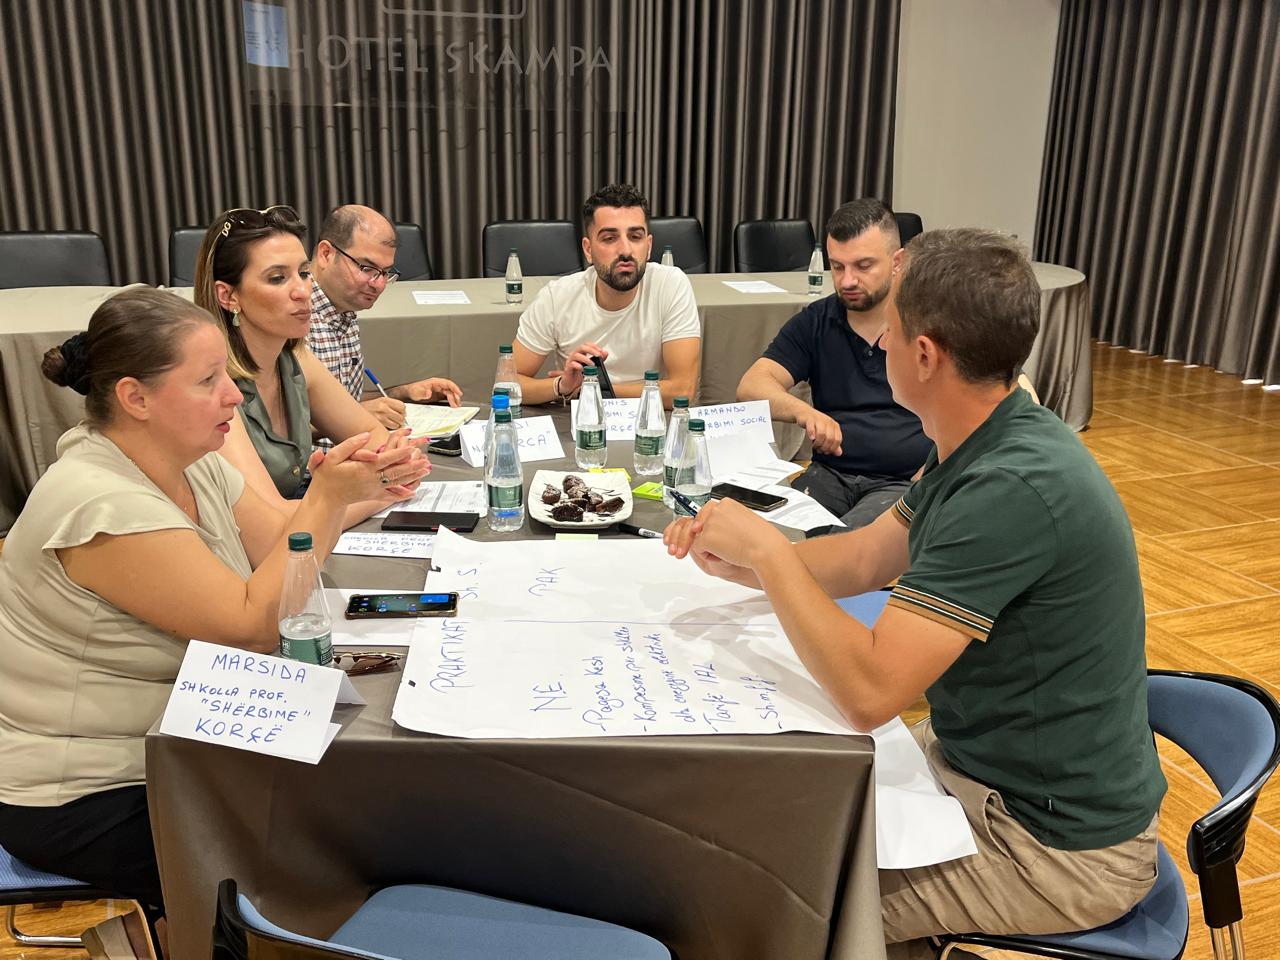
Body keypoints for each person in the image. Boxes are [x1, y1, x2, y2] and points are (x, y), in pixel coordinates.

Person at [665, 229, 1165, 959]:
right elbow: (869, 556)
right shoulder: (980, 436)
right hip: (983, 768)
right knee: (777, 813)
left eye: (890, 334)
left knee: (770, 896)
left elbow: (870, 691)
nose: (880, 346)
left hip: (1052, 845)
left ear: (924, 355)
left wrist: (770, 553)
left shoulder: (1010, 487)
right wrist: (746, 564)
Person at [0, 288, 427, 947]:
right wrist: (327, 498)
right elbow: (252, 623)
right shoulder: (100, 503)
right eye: (208, 381)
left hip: (174, 749)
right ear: (135, 398)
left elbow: (281, 543)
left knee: (371, 804)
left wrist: (364, 488)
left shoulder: (187, 460)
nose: (233, 395)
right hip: (86, 793)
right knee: (345, 846)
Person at [193, 205, 427, 521]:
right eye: (277, 278)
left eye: (304, 273)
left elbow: (374, 437)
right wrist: (384, 488)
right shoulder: (213, 387)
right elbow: (273, 525)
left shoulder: (294, 356)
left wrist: (394, 465)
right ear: (228, 296)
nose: (303, 291)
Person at [737, 199, 932, 528]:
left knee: (843, 546)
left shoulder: (929, 321)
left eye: (863, 266)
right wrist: (805, 412)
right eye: (837, 267)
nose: (847, 281)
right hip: (829, 474)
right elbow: (752, 386)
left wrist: (943, 465)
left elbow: (991, 398)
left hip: (902, 482)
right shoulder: (817, 320)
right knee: (769, 533)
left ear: (898, 262)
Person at [512, 183, 701, 408]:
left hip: (651, 421)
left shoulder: (670, 284)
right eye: (610, 238)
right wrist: (561, 385)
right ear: (588, 249)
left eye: (635, 237)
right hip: (581, 422)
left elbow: (683, 391)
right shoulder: (557, 297)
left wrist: (592, 389)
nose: (625, 251)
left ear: (649, 246)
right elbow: (507, 385)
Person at [307, 204, 462, 430]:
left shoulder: (344, 311)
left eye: (385, 272)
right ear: (326, 254)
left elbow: (343, 402)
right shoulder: (291, 315)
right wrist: (356, 416)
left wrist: (403, 394)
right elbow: (270, 432)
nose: (379, 284)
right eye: (366, 268)